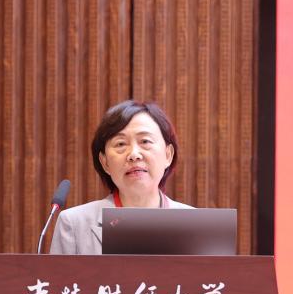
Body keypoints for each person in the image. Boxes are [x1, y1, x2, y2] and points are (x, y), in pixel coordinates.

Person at [50, 100, 193, 254]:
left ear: (168, 155)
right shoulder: (73, 225)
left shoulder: (194, 226)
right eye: (120, 144)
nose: (134, 154)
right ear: (105, 162)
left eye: (145, 141)